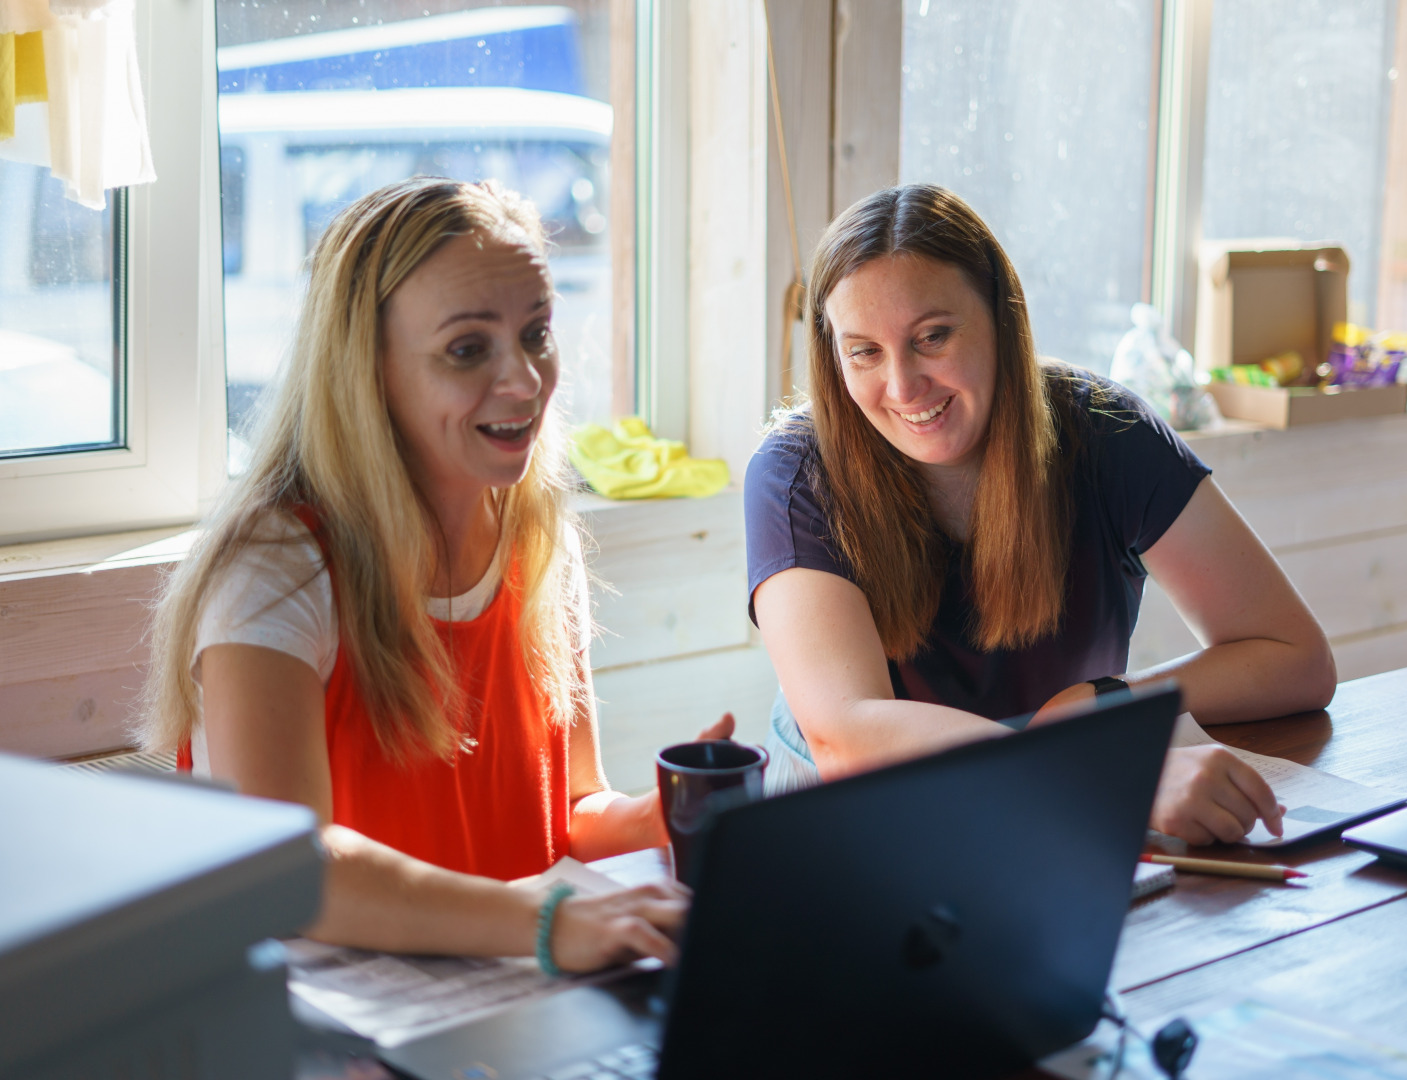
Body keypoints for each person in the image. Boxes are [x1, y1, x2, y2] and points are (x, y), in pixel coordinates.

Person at [141, 177, 722, 970]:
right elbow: (289, 872)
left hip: (502, 999)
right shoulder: (272, 569)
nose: (525, 381)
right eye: (467, 348)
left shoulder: (534, 536)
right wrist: (548, 922)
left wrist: (661, 815)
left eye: (537, 333)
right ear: (366, 370)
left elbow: (571, 810)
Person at [745, 184, 1337, 845]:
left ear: (1001, 318)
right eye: (864, 352)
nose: (904, 386)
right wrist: (1111, 770)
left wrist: (1111, 700)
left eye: (933, 336)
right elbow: (846, 737)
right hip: (855, 826)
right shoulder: (794, 472)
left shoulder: (1110, 433)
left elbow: (1298, 659)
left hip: (1050, 816)